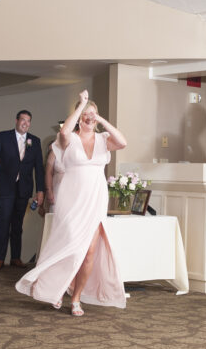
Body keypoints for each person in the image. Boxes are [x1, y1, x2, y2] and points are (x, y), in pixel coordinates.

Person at [16, 90, 127, 316]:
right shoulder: (69, 138)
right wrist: (81, 106)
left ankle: (76, 298)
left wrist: (101, 119)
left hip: (95, 199)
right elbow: (65, 130)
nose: (88, 117)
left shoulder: (104, 140)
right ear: (78, 116)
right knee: (67, 248)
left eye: (92, 114)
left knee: (88, 253)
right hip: (71, 199)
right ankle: (53, 289)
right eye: (85, 114)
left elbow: (123, 142)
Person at [0, 110, 45, 269]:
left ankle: (15, 257)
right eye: (23, 120)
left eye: (28, 121)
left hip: (24, 188)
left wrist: (40, 190)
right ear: (16, 120)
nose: (25, 123)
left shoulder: (35, 141)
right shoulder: (3, 137)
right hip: (6, 187)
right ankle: (0, 258)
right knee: (4, 222)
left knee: (18, 224)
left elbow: (38, 169)